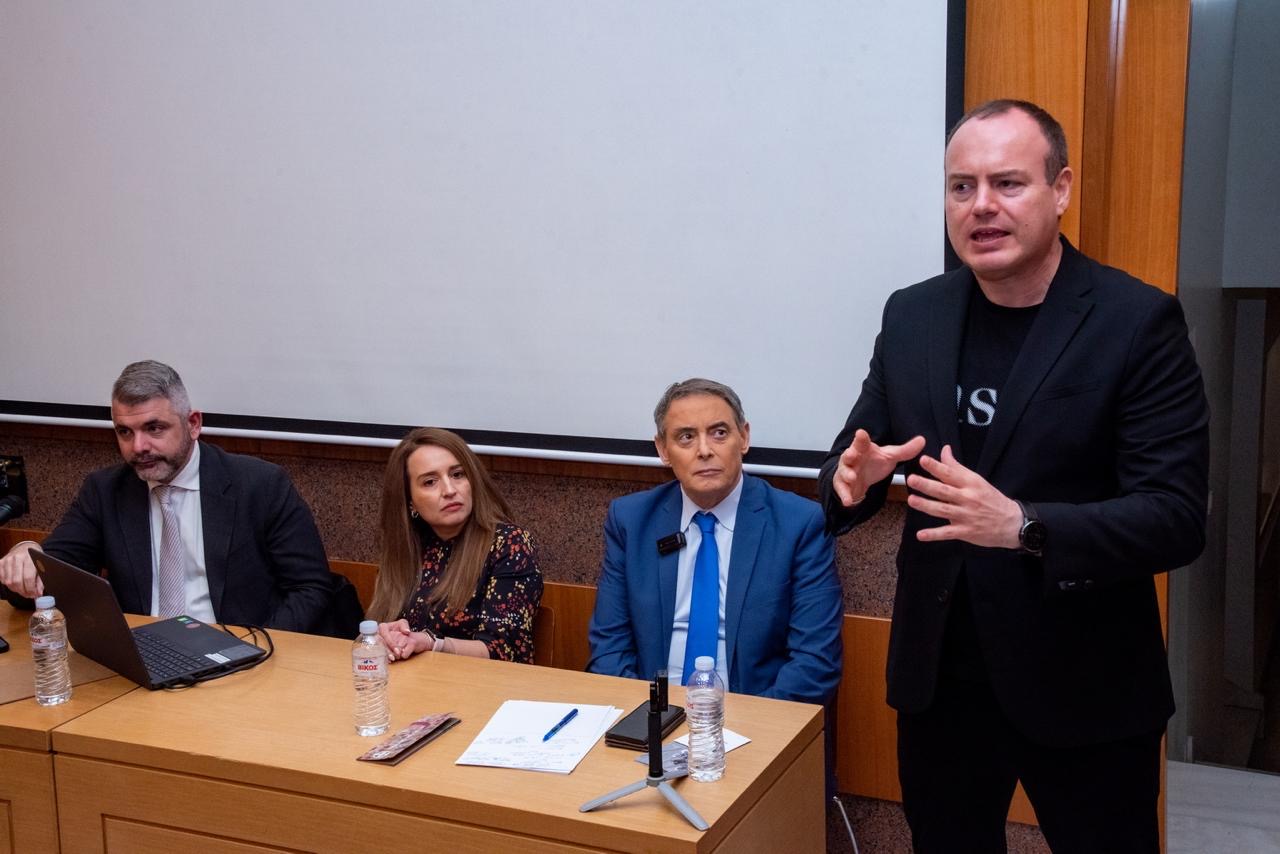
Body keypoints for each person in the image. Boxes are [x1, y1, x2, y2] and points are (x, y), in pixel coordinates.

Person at [819, 99, 1209, 853]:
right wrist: (851, 481)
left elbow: (1175, 516)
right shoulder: (913, 315)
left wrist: (1023, 525)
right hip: (940, 682)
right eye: (961, 187)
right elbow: (853, 457)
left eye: (1008, 183)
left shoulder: (1136, 321)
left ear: (1060, 189)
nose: (981, 206)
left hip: (1085, 682)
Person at [0, 360, 334, 632]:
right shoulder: (105, 491)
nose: (139, 447)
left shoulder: (260, 485)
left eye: (154, 428)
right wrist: (25, 555)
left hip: (240, 652)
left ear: (193, 424)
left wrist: (255, 649)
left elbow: (310, 589)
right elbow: (44, 585)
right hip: (144, 655)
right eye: (125, 432)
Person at [588, 378, 843, 706]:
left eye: (719, 433)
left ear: (744, 437)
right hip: (653, 713)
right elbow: (609, 649)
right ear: (663, 450)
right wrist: (646, 718)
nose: (704, 450)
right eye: (686, 437)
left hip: (755, 715)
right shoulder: (632, 521)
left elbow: (815, 664)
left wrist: (742, 723)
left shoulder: (798, 524)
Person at [368, 427, 542, 664]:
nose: (450, 490)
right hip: (410, 679)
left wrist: (432, 643)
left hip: (483, 682)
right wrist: (389, 637)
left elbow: (505, 650)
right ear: (410, 501)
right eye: (430, 482)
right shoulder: (407, 546)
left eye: (458, 475)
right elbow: (384, 623)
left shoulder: (509, 544)